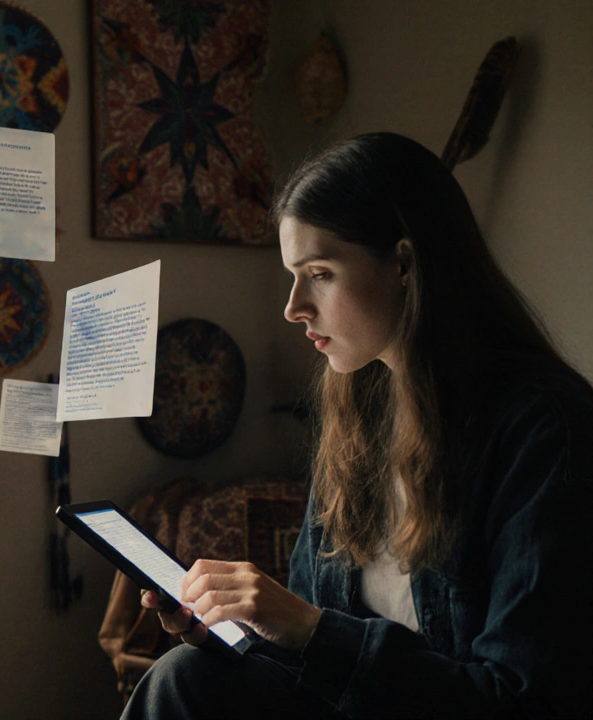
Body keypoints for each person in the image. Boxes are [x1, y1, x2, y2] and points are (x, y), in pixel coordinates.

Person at [123, 132, 592, 719]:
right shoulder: (359, 411)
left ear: (403, 264)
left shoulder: (546, 432)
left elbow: (523, 701)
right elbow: (310, 646)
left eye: (319, 272)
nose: (294, 306)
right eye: (295, 274)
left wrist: (309, 629)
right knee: (188, 674)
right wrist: (234, 633)